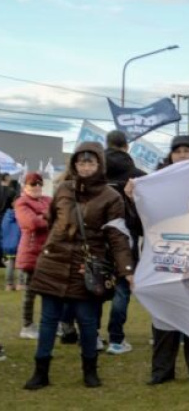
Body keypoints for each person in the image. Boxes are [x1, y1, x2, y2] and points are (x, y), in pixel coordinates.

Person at [23, 142, 134, 390]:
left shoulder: (111, 197)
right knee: (48, 320)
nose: (85, 167)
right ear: (74, 164)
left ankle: (90, 371)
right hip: (54, 262)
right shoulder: (63, 189)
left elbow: (117, 237)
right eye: (81, 162)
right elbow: (52, 221)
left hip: (87, 268)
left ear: (99, 165)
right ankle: (40, 371)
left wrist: (126, 270)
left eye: (90, 162)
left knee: (86, 321)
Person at [146, 135, 189, 386]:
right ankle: (162, 370)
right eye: (178, 151)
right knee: (164, 315)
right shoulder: (156, 182)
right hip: (166, 254)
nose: (182, 155)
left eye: (187, 151)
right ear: (170, 156)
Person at [103, 130, 146, 356]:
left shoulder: (95, 172)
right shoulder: (137, 175)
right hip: (127, 236)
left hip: (97, 236)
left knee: (93, 286)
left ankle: (91, 336)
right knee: (122, 287)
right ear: (126, 147)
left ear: (107, 144)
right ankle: (116, 339)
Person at [14, 172, 52, 340]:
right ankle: (27, 325)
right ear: (25, 186)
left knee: (51, 292)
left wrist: (42, 216)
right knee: (30, 293)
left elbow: (61, 216)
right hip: (31, 253)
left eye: (39, 183)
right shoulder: (21, 202)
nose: (37, 186)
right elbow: (31, 223)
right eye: (32, 183)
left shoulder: (48, 199)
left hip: (49, 253)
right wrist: (47, 216)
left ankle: (51, 323)